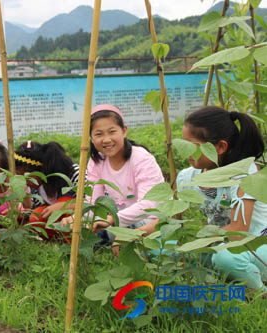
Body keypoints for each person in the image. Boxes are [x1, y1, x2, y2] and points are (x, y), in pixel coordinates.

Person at [145, 106, 267, 290]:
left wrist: (195, 239)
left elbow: (237, 231)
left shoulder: (243, 173)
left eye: (191, 146)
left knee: (225, 258)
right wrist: (137, 234)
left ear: (220, 147)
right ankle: (223, 276)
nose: (184, 152)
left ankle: (258, 290)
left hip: (253, 245)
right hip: (216, 242)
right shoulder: (188, 176)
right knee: (158, 250)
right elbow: (170, 218)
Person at [86, 104, 164, 232]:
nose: (106, 140)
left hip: (150, 220)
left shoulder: (141, 158)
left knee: (122, 230)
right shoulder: (97, 161)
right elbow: (93, 202)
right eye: (99, 134)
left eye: (112, 132)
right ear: (91, 138)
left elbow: (149, 205)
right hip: (120, 219)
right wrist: (79, 219)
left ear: (124, 131)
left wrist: (111, 219)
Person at [14, 140, 81, 241]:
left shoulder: (75, 174)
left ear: (42, 170)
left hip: (82, 221)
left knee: (66, 200)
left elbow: (92, 203)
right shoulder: (36, 188)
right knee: (36, 216)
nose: (24, 181)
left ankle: (76, 240)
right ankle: (58, 240)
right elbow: (37, 213)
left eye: (26, 176)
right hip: (60, 227)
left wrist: (63, 206)